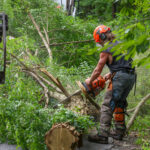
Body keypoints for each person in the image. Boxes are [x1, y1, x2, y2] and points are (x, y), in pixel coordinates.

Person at [85, 25, 136, 144]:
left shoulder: (106, 49)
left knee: (107, 105)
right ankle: (119, 132)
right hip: (131, 76)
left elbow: (97, 70)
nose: (100, 44)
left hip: (120, 78)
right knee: (120, 103)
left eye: (99, 41)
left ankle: (103, 135)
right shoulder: (121, 44)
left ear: (101, 37)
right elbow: (124, 63)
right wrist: (111, 73)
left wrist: (90, 81)